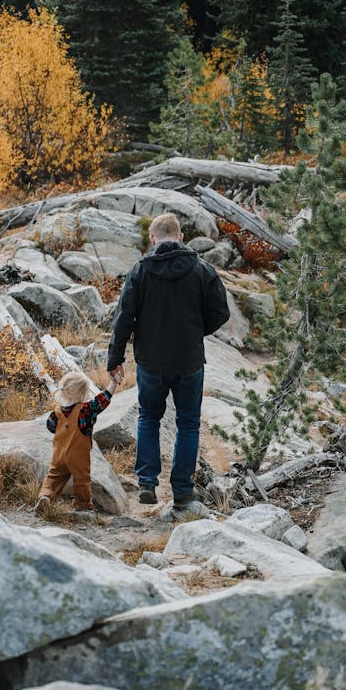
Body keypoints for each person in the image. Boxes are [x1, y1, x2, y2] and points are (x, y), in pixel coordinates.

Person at [107, 212, 229, 508]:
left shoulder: (141, 270)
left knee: (149, 417)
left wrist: (115, 357)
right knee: (188, 424)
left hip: (151, 361)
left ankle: (147, 483)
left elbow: (124, 318)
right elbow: (221, 312)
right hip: (189, 360)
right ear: (181, 237)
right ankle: (182, 490)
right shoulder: (202, 269)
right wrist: (196, 332)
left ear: (153, 239)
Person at [35, 369, 121, 515]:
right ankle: (83, 505)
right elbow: (103, 400)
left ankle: (46, 496)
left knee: (54, 476)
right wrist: (114, 383)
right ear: (82, 394)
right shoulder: (85, 410)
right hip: (78, 456)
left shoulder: (55, 413)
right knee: (81, 478)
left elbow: (51, 428)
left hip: (59, 454)